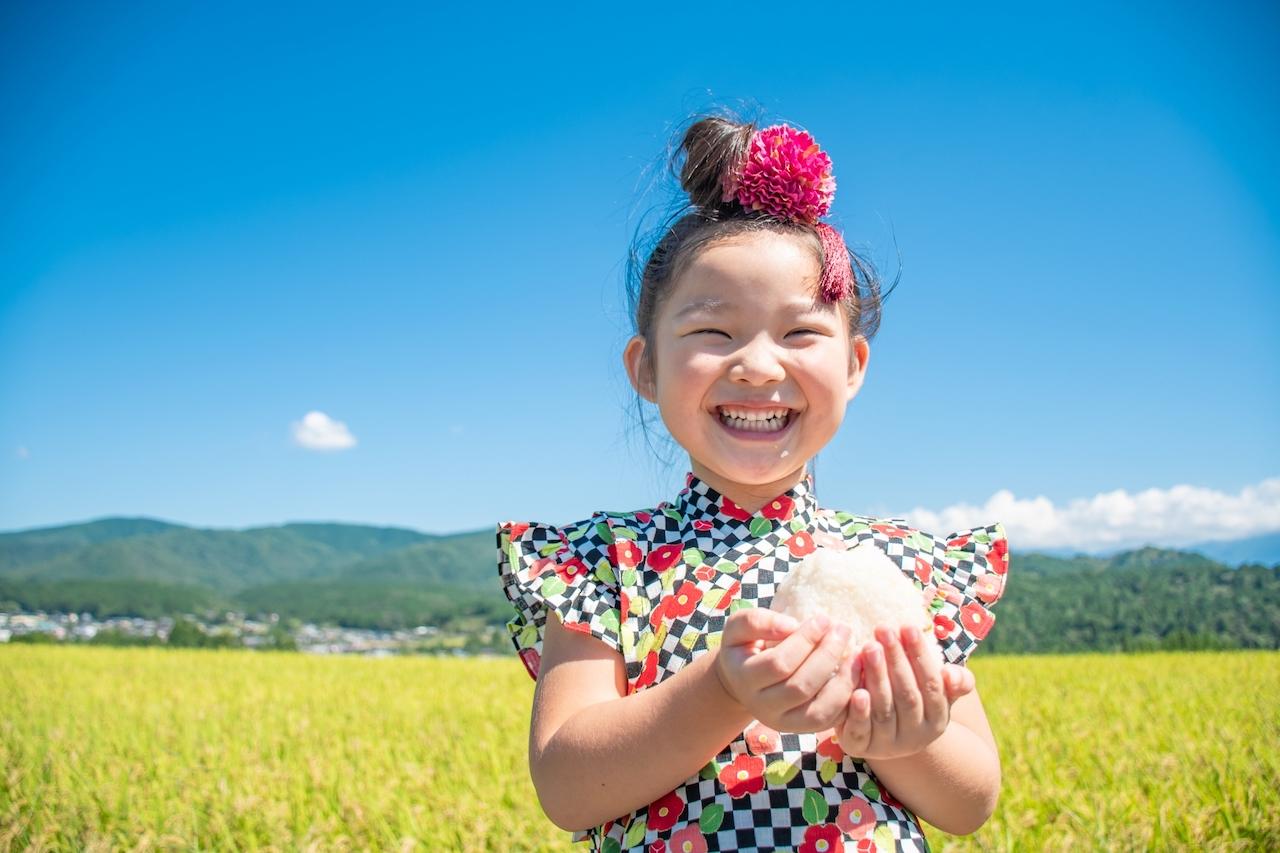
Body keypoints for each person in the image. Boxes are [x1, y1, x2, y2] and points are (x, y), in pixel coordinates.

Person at [497, 114, 1009, 853]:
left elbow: (971, 801)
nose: (759, 367)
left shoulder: (900, 567)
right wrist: (724, 690)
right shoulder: (601, 562)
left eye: (801, 333)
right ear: (646, 367)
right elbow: (567, 784)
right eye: (713, 333)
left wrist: (904, 736)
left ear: (855, 364)